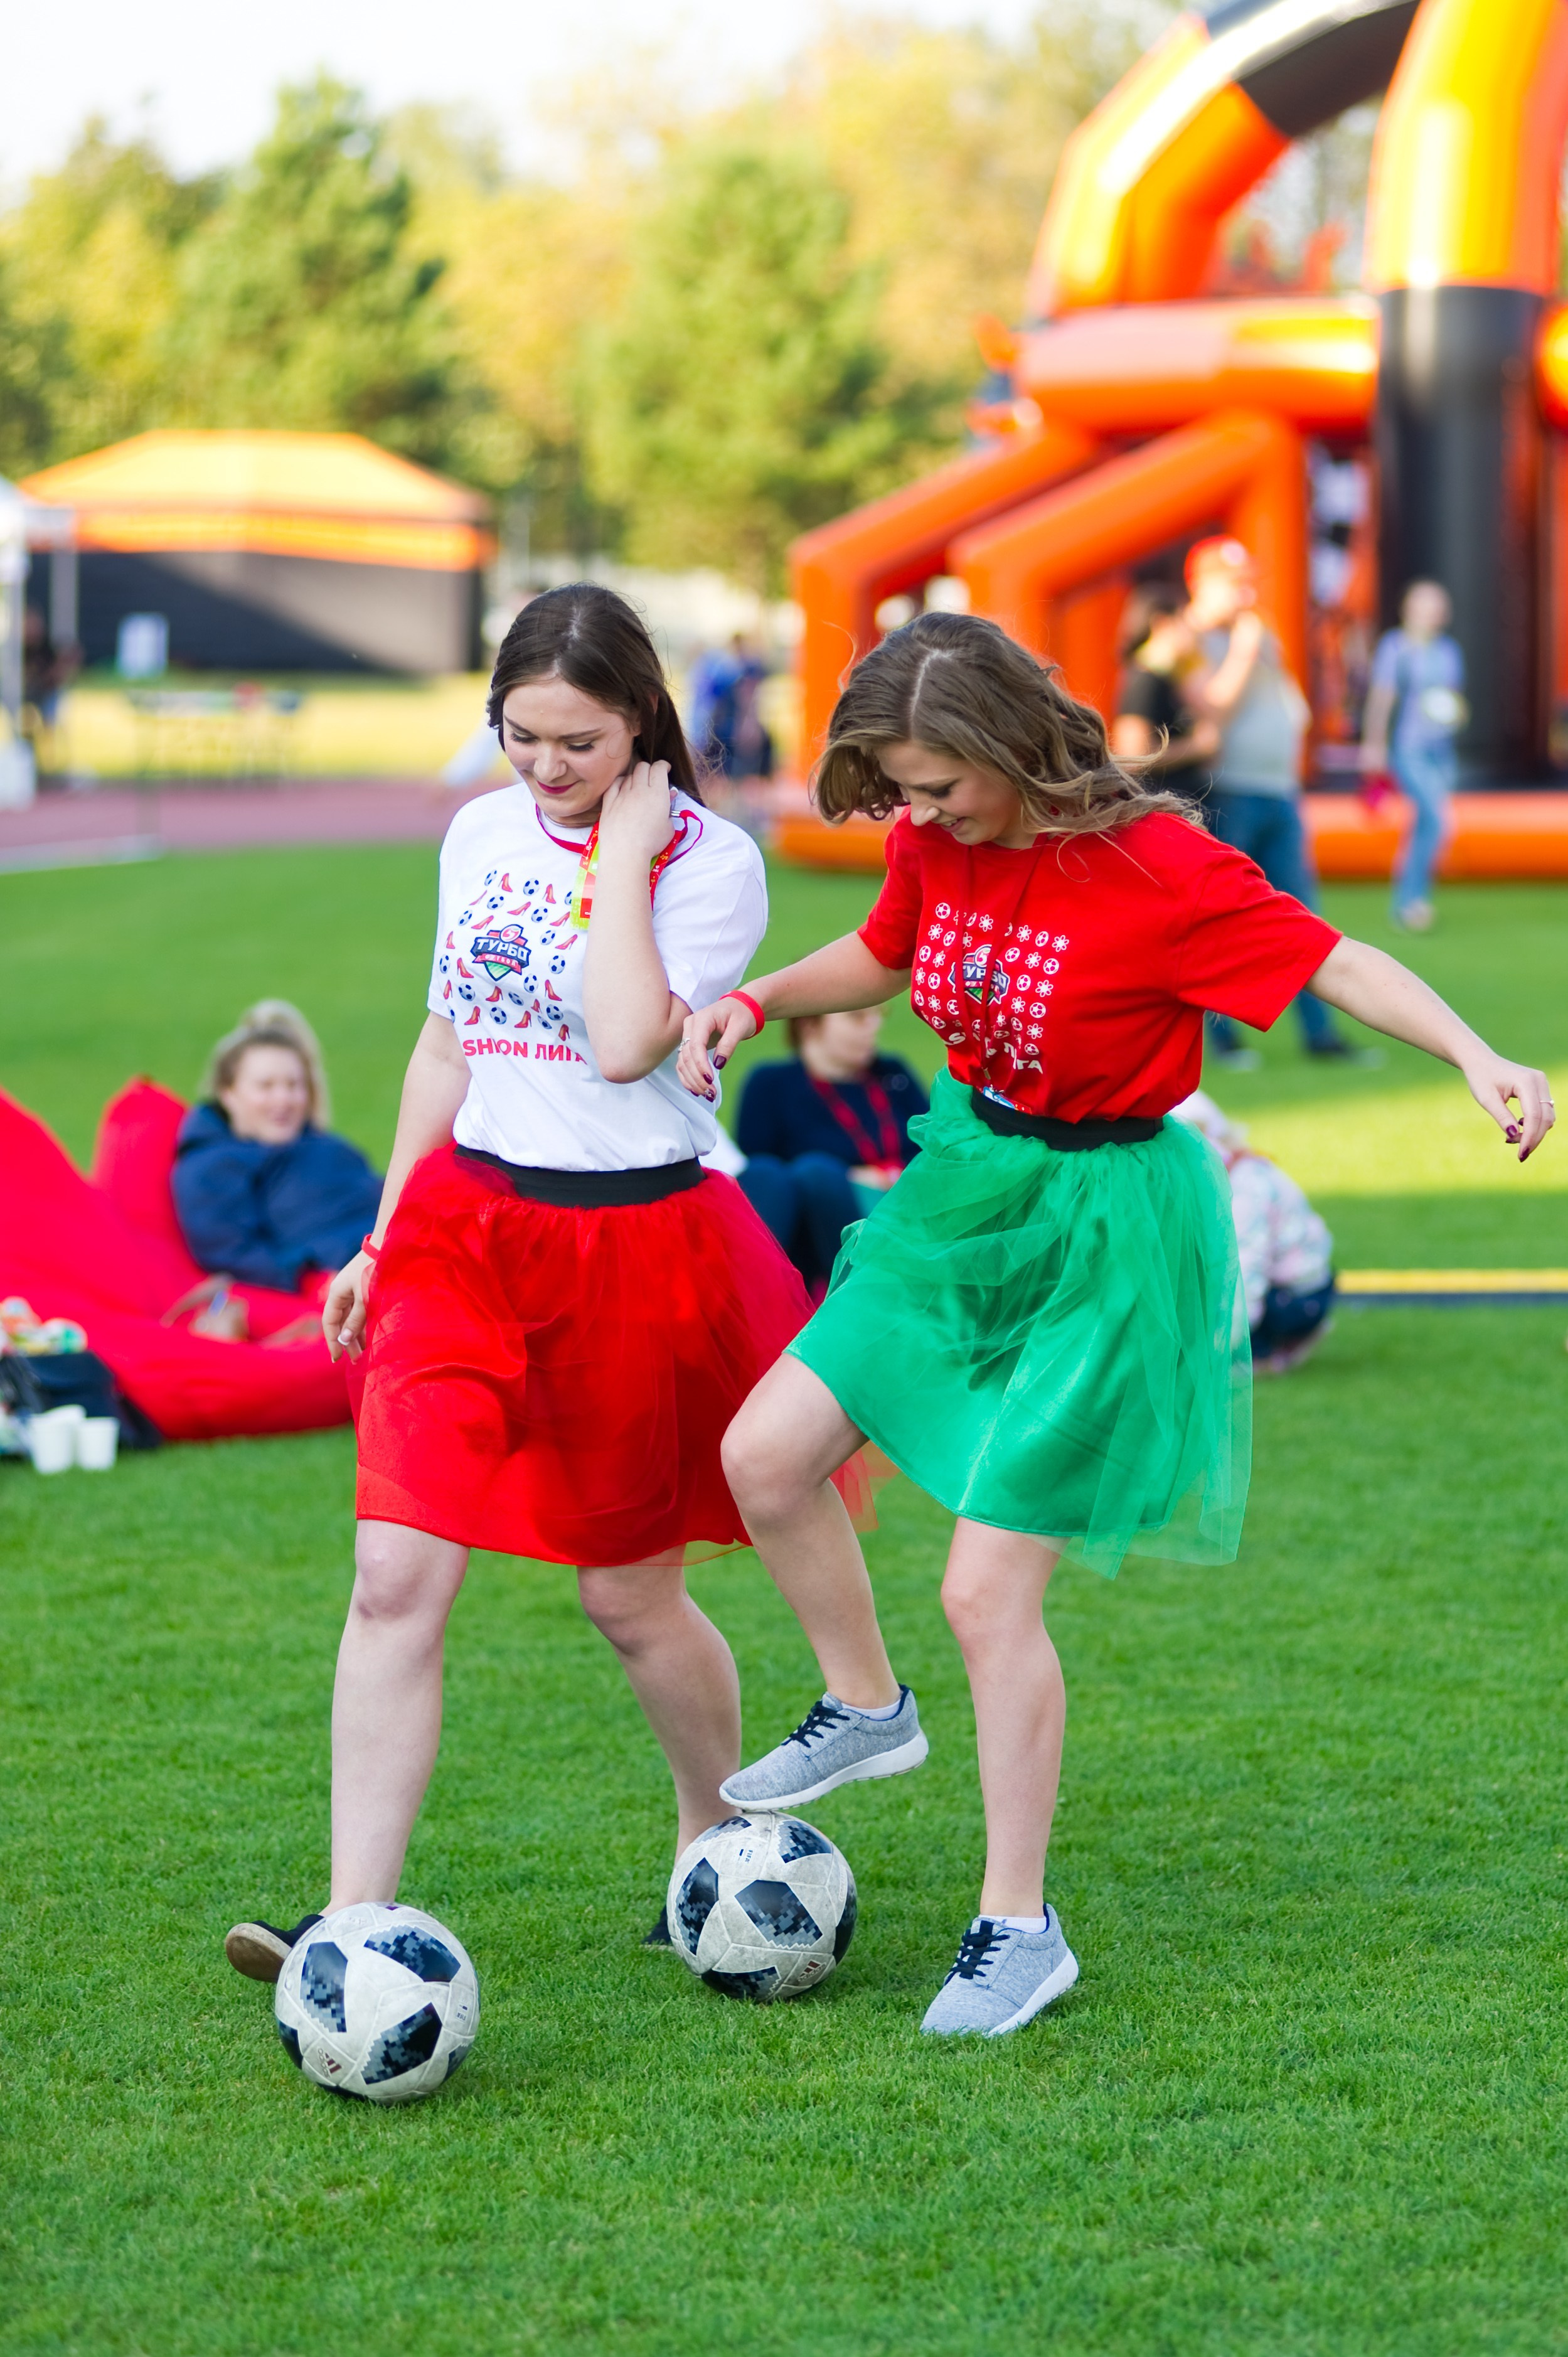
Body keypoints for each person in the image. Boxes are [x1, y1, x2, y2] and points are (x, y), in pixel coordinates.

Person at [677, 609, 1552, 2039]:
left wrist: (1474, 1051)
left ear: (1006, 746)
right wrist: (757, 996)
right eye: (900, 793)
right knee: (763, 1456)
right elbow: (885, 952)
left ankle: (1017, 1930)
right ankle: (865, 1703)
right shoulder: (932, 842)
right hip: (971, 1185)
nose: (917, 815)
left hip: (1112, 1231)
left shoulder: (1158, 868)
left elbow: (1330, 960)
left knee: (984, 1592)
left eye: (935, 786)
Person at [222, 584, 835, 1988]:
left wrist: (621, 860)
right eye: (521, 736)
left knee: (627, 1599)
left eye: (579, 742)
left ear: (641, 725)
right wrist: (380, 1239)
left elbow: (624, 1043)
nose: (546, 768)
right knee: (393, 1576)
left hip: (633, 1249)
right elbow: (449, 1044)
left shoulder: (710, 865)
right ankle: (351, 1916)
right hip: (466, 1233)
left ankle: (712, 1843)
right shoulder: (479, 832)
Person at [1185, 537, 1356, 1068]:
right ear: (1202, 583)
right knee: (1218, 918)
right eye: (1233, 583)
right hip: (1228, 790)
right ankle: (1220, 1040)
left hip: (1277, 789)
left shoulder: (1257, 633)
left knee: (1300, 916)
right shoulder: (1189, 637)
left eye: (1247, 583)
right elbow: (1212, 707)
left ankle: (1320, 1034)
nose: (1245, 593)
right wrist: (1242, 650)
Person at [172, 1003, 382, 1296]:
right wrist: (310, 1280)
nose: (283, 1099)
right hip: (355, 1271)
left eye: (293, 1085)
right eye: (266, 1086)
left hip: (394, 1242)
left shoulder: (326, 1146)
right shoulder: (213, 1167)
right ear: (228, 1094)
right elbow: (232, 1252)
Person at [736, 1008, 927, 1288]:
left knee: (817, 1174)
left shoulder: (892, 1075)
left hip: (888, 1211)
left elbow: (932, 1151)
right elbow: (757, 1162)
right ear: (809, 1024)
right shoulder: (770, 1083)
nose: (873, 1026)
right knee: (768, 1174)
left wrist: (878, 1176)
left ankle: (861, 1291)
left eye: (877, 1016)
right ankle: (751, 1294)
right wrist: (848, 1177)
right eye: (857, 1017)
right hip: (804, 1227)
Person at [1170, 1091, 1335, 1374]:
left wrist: (1218, 1349)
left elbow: (1244, 1276)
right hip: (1275, 1284)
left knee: (1225, 1352)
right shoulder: (1222, 1178)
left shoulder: (1244, 1190)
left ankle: (1264, 1349)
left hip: (1292, 1294)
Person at [1362, 580, 1467, 933]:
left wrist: (1452, 714)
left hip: (1441, 749)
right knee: (1433, 821)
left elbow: (1452, 698)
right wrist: (1373, 744)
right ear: (1409, 609)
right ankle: (1408, 902)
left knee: (1427, 826)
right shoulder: (1395, 647)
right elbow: (1382, 698)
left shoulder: (1448, 651)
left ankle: (1415, 899)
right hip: (1408, 748)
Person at [1109, 584, 1220, 806]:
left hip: (1179, 805)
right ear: (1163, 623)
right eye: (1183, 621)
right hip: (1160, 806)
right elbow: (1133, 756)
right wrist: (1195, 747)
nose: (1192, 632)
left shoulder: (1169, 677)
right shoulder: (1145, 679)